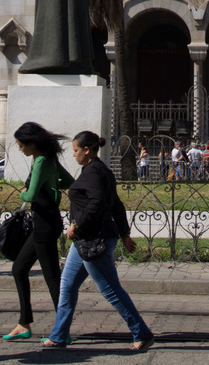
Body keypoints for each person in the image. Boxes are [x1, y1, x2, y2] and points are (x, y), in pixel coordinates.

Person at [42, 131, 154, 352]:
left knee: (110, 289)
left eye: (75, 150)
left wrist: (77, 225)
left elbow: (98, 203)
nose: (73, 155)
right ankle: (59, 335)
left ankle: (141, 332)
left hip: (94, 238)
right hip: (87, 240)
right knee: (67, 285)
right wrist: (124, 234)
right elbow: (117, 205)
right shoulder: (99, 170)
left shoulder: (93, 172)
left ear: (87, 149)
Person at [4, 122, 74, 342]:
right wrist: (51, 185)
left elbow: (31, 195)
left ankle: (62, 331)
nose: (20, 149)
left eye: (21, 145)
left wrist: (22, 194)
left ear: (32, 143)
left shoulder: (42, 161)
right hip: (45, 222)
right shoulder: (46, 160)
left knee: (52, 277)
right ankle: (24, 323)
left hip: (45, 223)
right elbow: (68, 181)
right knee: (19, 269)